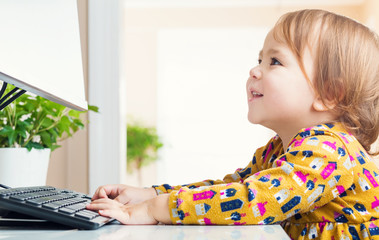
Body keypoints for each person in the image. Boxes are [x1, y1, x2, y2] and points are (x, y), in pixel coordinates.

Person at [86, 9, 379, 239]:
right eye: (259, 59)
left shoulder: (331, 151)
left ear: (330, 94)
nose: (254, 70)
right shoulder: (278, 150)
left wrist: (155, 209)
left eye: (275, 61)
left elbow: (252, 201)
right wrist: (153, 194)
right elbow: (234, 187)